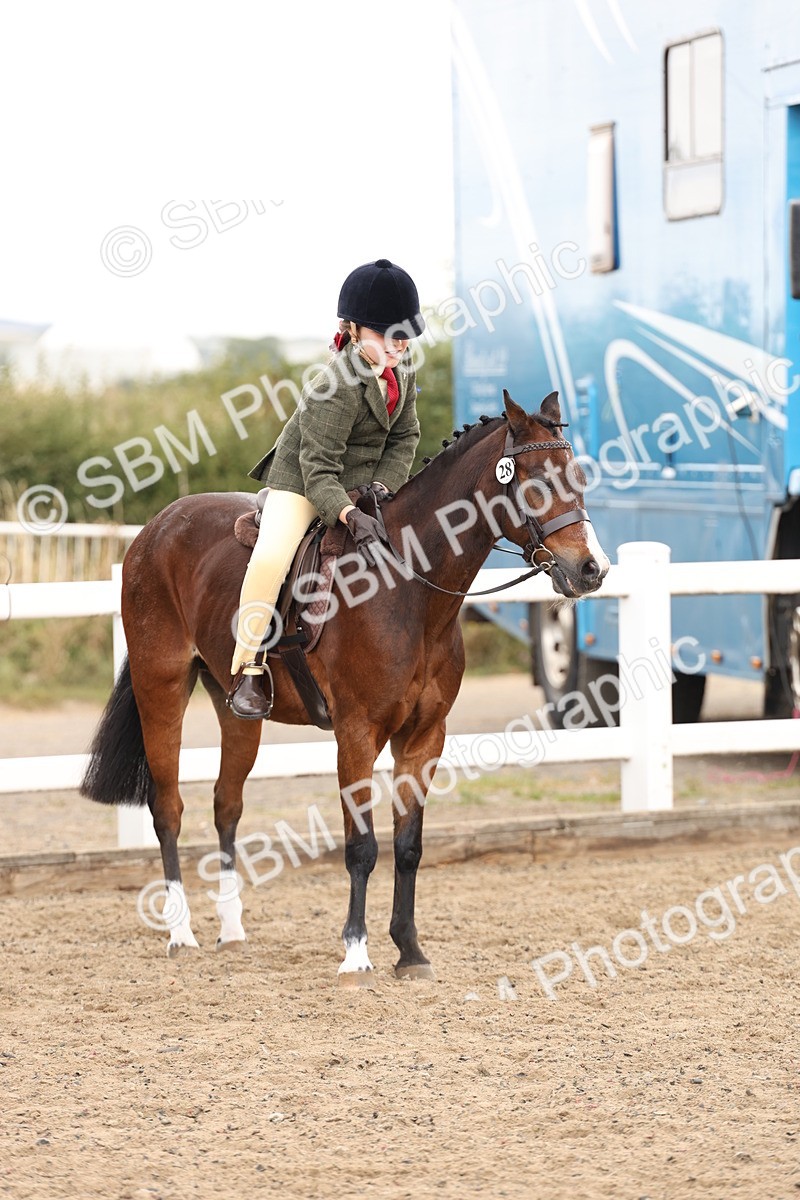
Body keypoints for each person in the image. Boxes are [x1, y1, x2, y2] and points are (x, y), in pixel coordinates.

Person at [228, 258, 426, 719]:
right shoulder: (333, 385)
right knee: (273, 556)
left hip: (362, 483)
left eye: (404, 333)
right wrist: (348, 513)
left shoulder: (404, 368)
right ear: (354, 331)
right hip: (302, 482)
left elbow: (406, 437)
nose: (399, 343)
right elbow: (317, 467)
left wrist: (382, 486)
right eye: (387, 333)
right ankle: (248, 665)